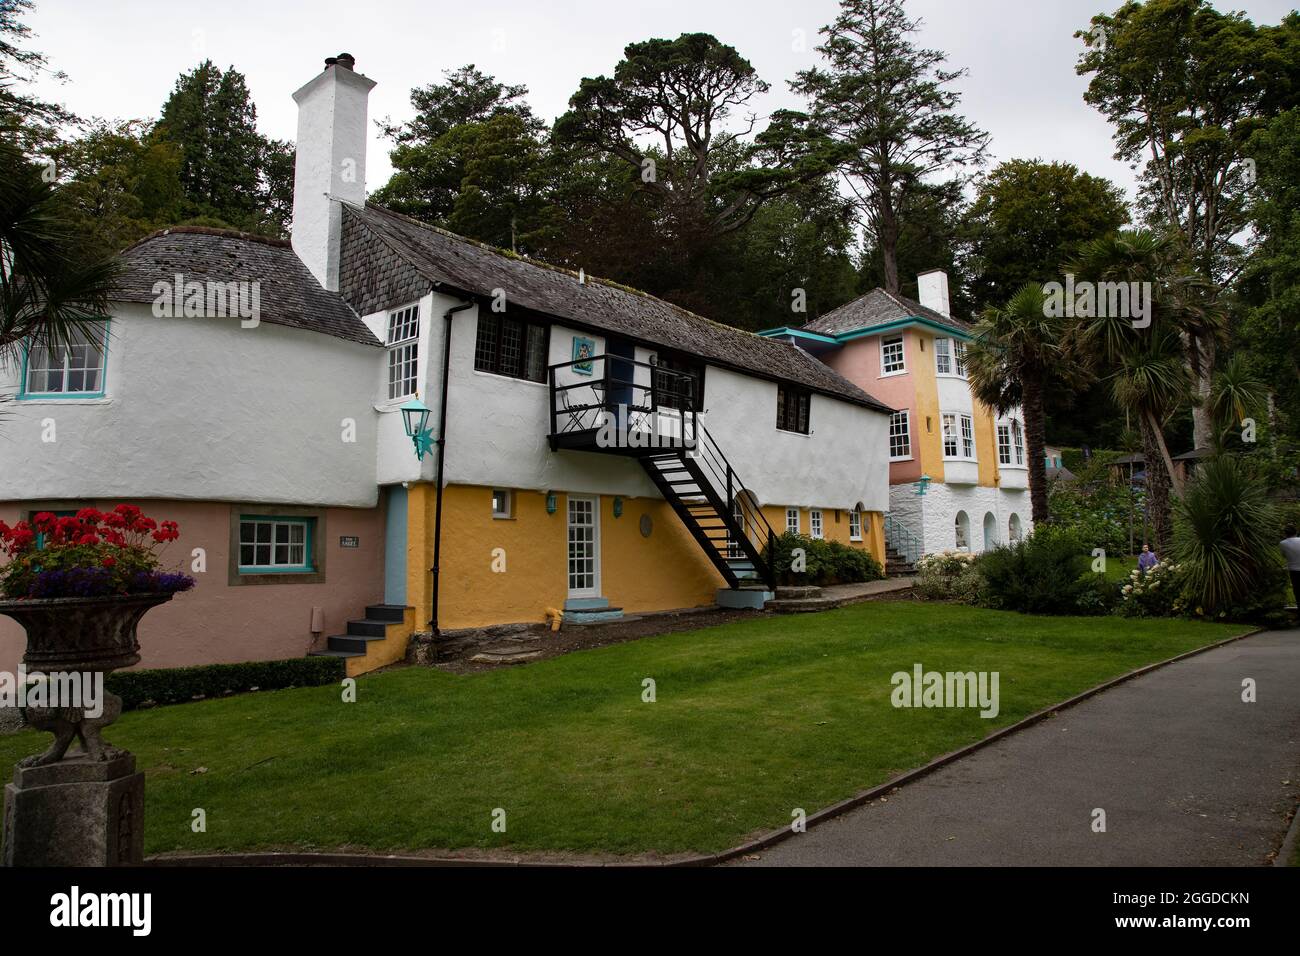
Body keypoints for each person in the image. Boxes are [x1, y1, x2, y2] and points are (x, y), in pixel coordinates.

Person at [1282, 525, 1300, 611]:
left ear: (1285, 534)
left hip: (1293, 569)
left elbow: (1284, 555)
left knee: (1297, 589)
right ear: (1296, 532)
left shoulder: (1282, 543)